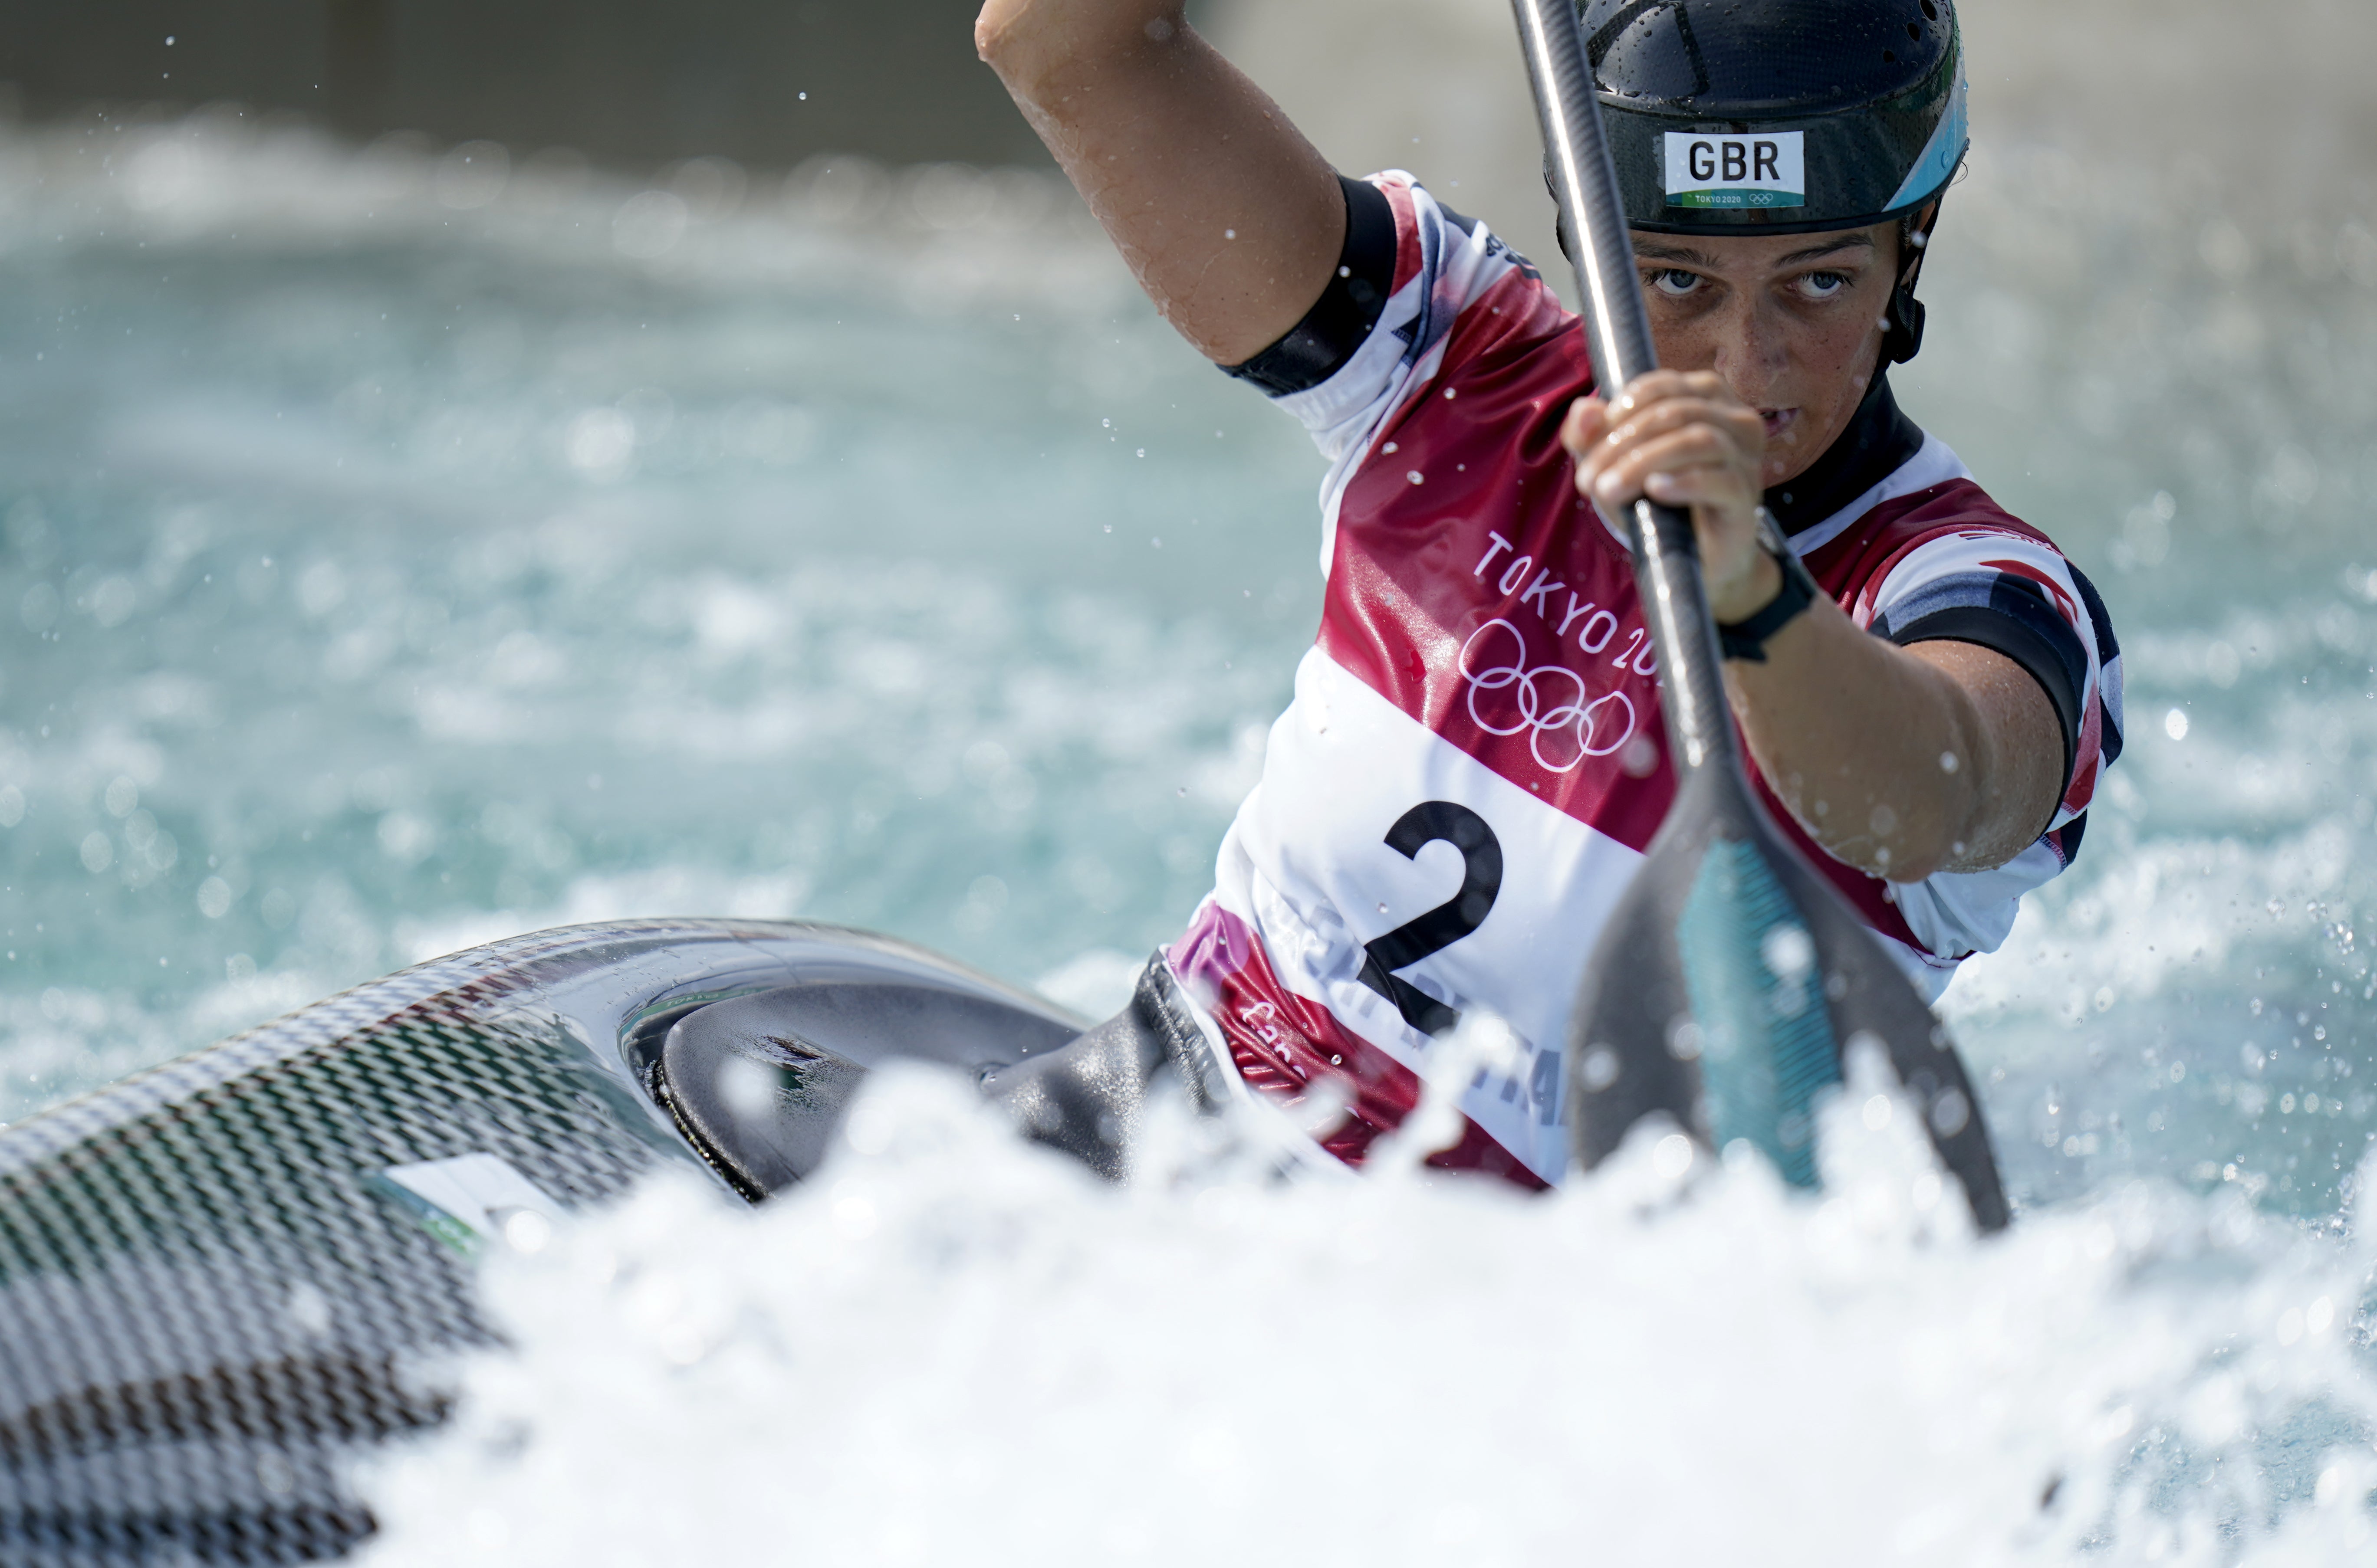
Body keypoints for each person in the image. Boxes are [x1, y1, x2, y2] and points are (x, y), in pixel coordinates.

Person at [977, 0, 2123, 1187]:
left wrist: (1753, 589)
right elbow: (1060, 44)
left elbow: (1938, 797)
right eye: (1676, 279)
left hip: (1538, 1292)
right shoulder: (1449, 362)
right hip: (1173, 1102)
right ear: (1593, 234)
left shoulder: (1978, 588)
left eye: (1820, 283)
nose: (1745, 365)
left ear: (1910, 253)